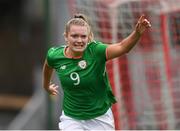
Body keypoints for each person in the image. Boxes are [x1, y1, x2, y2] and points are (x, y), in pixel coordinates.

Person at [42, 13, 151, 130]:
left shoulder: (96, 51)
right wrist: (46, 85)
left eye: (83, 36)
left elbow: (123, 47)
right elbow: (48, 65)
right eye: (74, 36)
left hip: (100, 117)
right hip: (71, 117)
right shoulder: (55, 55)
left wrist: (137, 33)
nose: (79, 40)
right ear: (66, 37)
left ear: (88, 37)